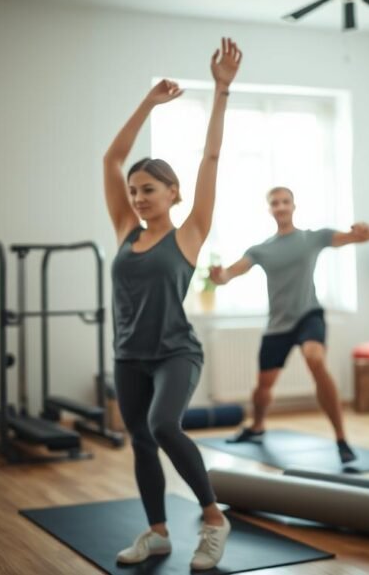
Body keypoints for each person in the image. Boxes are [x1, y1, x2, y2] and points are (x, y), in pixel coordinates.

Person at [104, 38, 242, 570]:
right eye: (135, 190)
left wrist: (221, 89)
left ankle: (213, 518)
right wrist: (148, 101)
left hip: (175, 352)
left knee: (163, 426)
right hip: (128, 353)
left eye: (149, 190)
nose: (138, 197)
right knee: (139, 439)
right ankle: (157, 532)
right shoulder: (124, 229)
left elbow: (211, 156)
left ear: (174, 194)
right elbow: (112, 158)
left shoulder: (189, 235)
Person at [210, 186, 369, 464]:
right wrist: (220, 276)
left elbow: (360, 237)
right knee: (263, 386)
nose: (281, 206)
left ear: (294, 206)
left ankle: (341, 438)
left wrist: (365, 230)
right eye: (275, 203)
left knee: (315, 357)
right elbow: (230, 273)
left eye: (285, 201)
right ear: (270, 209)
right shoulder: (261, 250)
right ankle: (257, 426)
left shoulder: (312, 238)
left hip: (309, 315)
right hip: (278, 324)